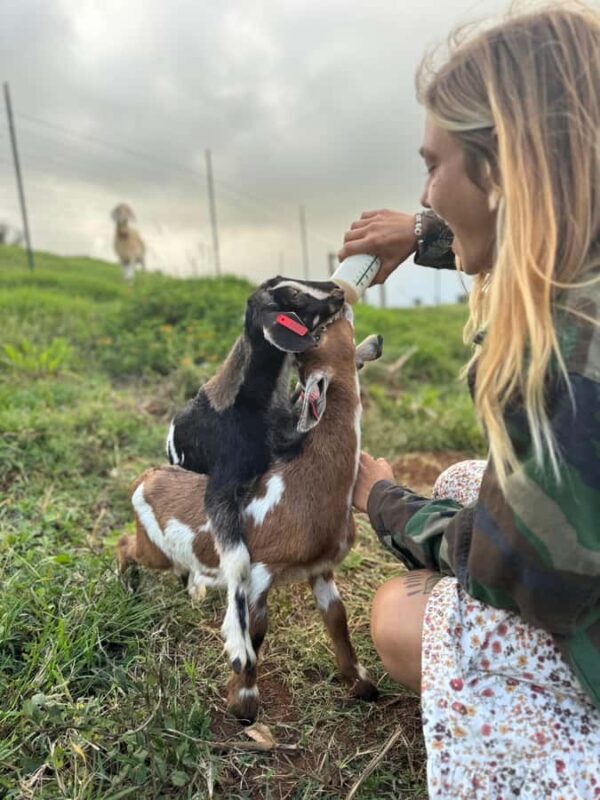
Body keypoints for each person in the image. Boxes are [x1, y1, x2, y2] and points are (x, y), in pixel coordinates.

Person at [338, 4, 600, 798]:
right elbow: (546, 227)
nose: (427, 189)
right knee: (460, 480)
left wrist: (380, 501)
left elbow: (520, 570)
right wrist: (422, 233)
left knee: (395, 617)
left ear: (504, 171)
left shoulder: (567, 360)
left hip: (569, 588)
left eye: (434, 166)